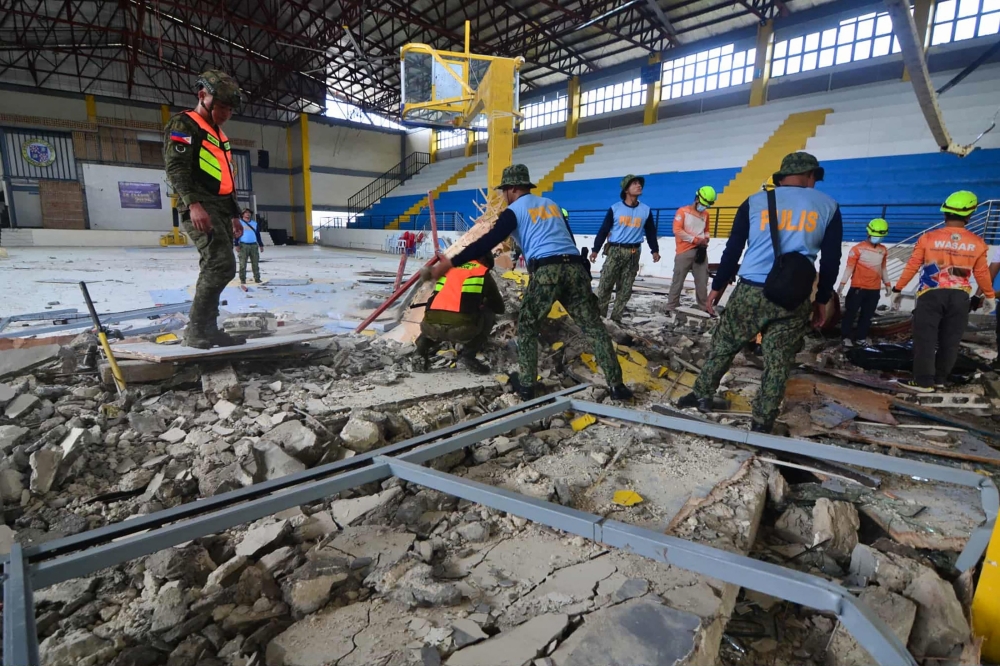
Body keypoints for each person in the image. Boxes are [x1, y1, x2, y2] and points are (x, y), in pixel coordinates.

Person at [428, 164, 632, 401]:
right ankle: (617, 386)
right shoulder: (551, 205)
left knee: (527, 326)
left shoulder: (514, 211)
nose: (504, 196)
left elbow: (486, 242)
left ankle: (526, 386)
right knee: (594, 328)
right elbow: (568, 238)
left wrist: (450, 262)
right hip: (575, 269)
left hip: (547, 271)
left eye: (504, 191)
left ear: (512, 188)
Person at [677, 152, 843, 433]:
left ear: (782, 176)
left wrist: (718, 286)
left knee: (725, 344)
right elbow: (831, 261)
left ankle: (701, 393)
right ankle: (763, 421)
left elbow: (733, 248)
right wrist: (821, 299)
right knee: (779, 360)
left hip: (752, 290)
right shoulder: (829, 206)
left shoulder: (755, 201)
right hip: (794, 295)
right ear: (810, 175)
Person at [163, 70, 245, 349]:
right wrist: (193, 204)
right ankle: (197, 329)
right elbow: (176, 167)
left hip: (221, 207)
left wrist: (234, 215)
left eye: (230, 109)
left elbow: (227, 178)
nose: (226, 113)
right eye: (222, 106)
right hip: (200, 204)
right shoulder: (185, 124)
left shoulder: (219, 135)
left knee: (216, 265)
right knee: (221, 264)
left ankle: (208, 330)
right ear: (202, 96)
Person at [891, 191, 995, 390]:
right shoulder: (977, 243)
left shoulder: (928, 238)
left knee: (926, 339)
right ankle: (940, 379)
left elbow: (912, 265)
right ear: (969, 216)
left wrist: (898, 288)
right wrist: (989, 295)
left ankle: (923, 381)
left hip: (931, 294)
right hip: (960, 297)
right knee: (950, 340)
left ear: (945, 213)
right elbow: (981, 272)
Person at [416, 253, 504, 375]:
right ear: (484, 260)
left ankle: (421, 349)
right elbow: (499, 307)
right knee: (489, 312)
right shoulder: (482, 272)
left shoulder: (448, 268)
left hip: (430, 328)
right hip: (461, 330)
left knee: (436, 311)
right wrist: (482, 302)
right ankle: (468, 355)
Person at [590, 175, 660, 322]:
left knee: (625, 289)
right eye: (634, 183)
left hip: (634, 252)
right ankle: (600, 319)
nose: (639, 186)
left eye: (639, 183)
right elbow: (604, 230)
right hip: (616, 250)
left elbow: (651, 232)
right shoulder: (615, 208)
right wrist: (595, 250)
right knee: (605, 285)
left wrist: (655, 250)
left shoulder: (645, 210)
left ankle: (616, 320)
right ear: (626, 189)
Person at [837, 218, 892, 347]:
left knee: (867, 316)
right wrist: (842, 284)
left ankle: (861, 337)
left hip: (874, 289)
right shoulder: (857, 249)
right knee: (850, 314)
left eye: (880, 236)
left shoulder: (883, 250)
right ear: (868, 233)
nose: (877, 238)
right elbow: (849, 268)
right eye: (875, 235)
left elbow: (883, 268)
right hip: (858, 288)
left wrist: (887, 284)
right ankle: (845, 337)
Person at [665, 186, 716, 311]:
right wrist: (696, 240)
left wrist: (706, 238)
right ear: (697, 199)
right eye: (703, 204)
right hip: (684, 251)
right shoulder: (682, 212)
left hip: (700, 251)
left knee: (702, 281)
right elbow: (677, 230)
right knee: (678, 280)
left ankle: (704, 307)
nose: (704, 207)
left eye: (707, 205)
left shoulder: (705, 215)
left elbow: (706, 230)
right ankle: (671, 306)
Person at [236, 208, 264, 285]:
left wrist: (261, 245)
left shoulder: (254, 224)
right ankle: (243, 279)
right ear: (242, 214)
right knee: (242, 263)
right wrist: (236, 244)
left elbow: (258, 235)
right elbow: (236, 234)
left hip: (253, 245)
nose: (248, 214)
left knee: (255, 263)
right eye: (246, 213)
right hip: (243, 245)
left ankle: (257, 278)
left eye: (249, 213)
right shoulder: (239, 223)